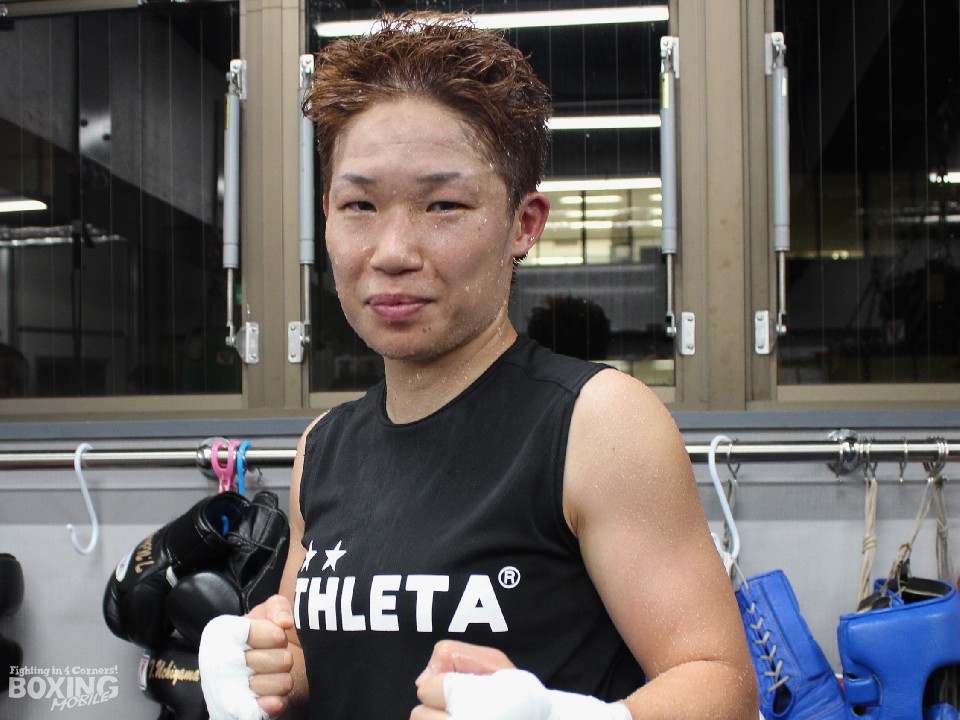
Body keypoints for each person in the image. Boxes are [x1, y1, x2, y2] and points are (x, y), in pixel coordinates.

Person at [198, 11, 757, 720]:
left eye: (444, 205)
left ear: (524, 223)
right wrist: (273, 666)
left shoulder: (597, 423)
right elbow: (340, 664)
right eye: (360, 204)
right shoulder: (325, 447)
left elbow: (722, 684)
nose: (393, 251)